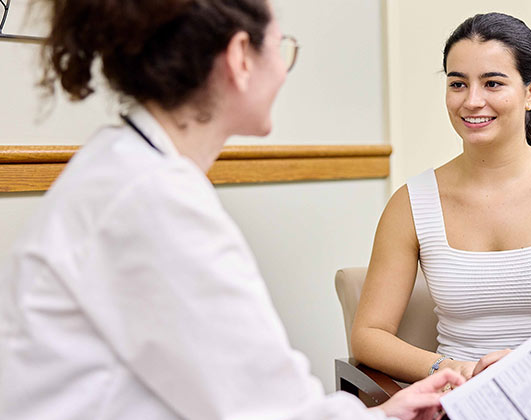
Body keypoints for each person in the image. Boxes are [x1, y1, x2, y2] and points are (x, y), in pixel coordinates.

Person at [0, 1, 465, 419]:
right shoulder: (154, 200)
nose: (284, 71)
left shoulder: (125, 167)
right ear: (241, 56)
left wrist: (381, 415)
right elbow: (268, 410)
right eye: (280, 47)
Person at [351, 12, 531, 384]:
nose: (472, 101)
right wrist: (448, 369)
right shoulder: (411, 202)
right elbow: (369, 335)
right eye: (458, 84)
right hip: (459, 394)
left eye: (493, 83)